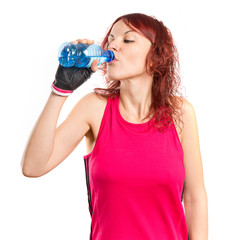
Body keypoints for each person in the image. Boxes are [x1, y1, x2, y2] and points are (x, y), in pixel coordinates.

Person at [21, 13, 208, 240]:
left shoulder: (181, 113)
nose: (112, 45)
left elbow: (194, 198)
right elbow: (32, 167)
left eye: (127, 40)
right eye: (111, 39)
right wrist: (60, 90)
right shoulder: (94, 108)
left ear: (155, 57)